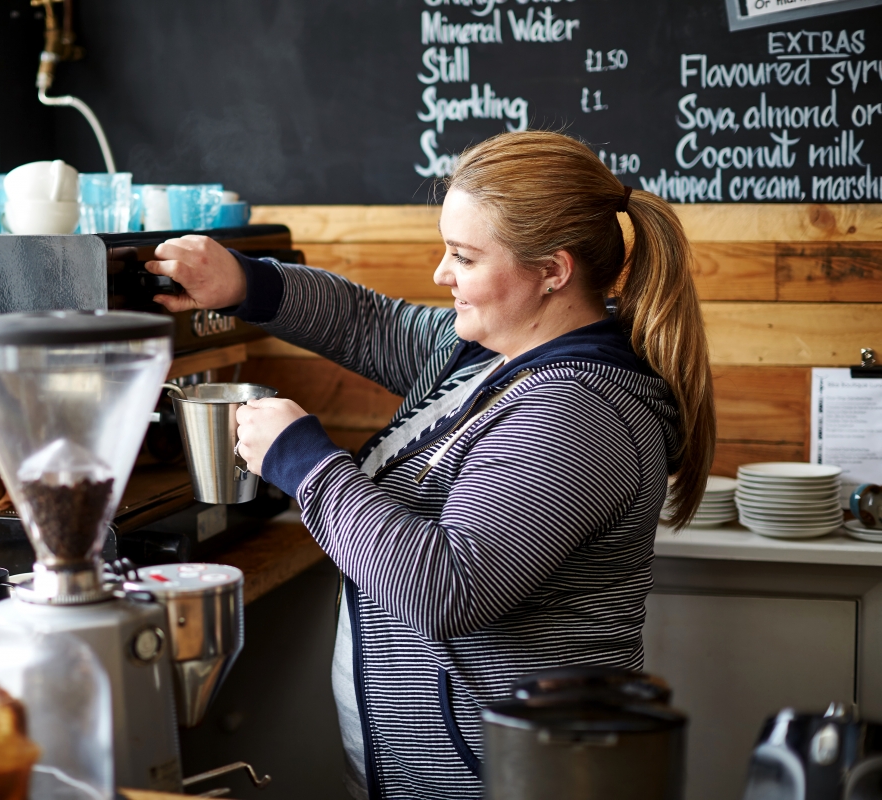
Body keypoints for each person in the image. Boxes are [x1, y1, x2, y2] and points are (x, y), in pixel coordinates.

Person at [146, 130, 714, 800]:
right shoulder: (490, 349)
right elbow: (365, 322)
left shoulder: (577, 415)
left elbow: (446, 586)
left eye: (465, 257)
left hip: (509, 779)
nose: (442, 273)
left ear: (553, 271)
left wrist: (306, 463)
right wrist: (245, 284)